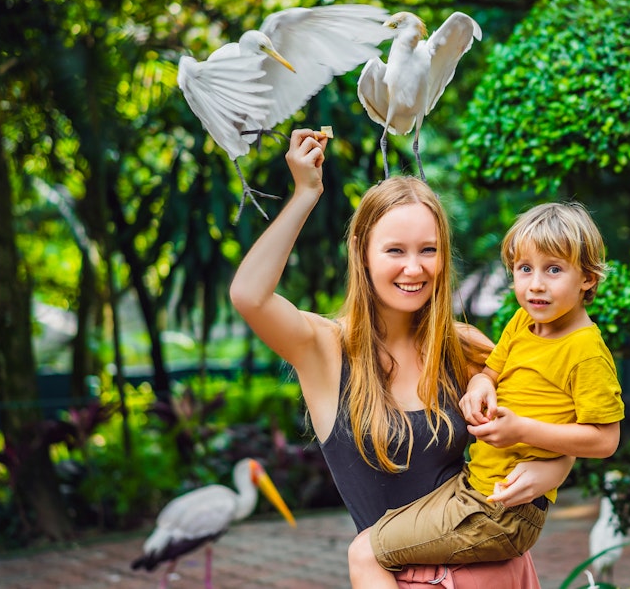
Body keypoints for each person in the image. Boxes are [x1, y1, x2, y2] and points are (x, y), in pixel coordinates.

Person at [229, 128, 574, 587]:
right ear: (363, 255)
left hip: (499, 574)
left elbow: (557, 422)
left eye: (428, 250)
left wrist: (556, 466)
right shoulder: (326, 350)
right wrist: (305, 193)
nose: (415, 268)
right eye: (395, 250)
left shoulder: (464, 345)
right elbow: (249, 295)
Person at [347, 201, 625, 588]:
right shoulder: (525, 321)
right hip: (474, 486)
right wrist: (479, 386)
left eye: (554, 270)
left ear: (588, 279)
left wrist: (521, 431)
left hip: (505, 512)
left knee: (365, 551)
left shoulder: (586, 352)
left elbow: (606, 440)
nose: (536, 285)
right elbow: (491, 370)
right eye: (525, 269)